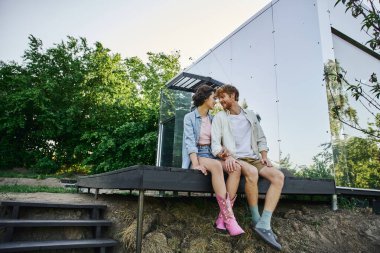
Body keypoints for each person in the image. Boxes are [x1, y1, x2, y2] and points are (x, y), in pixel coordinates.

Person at [211, 84, 284, 250]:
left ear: (233, 95)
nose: (220, 101)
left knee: (279, 177)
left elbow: (261, 138)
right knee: (251, 172)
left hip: (254, 158)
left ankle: (265, 223)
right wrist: (226, 155)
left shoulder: (250, 115)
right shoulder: (220, 117)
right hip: (237, 158)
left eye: (223, 97)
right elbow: (215, 145)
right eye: (219, 98)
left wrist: (264, 156)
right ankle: (256, 218)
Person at [182, 84, 244, 236]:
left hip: (212, 154)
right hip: (198, 155)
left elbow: (218, 141)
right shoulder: (189, 117)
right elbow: (190, 142)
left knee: (236, 168)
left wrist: (227, 155)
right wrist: (195, 164)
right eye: (213, 98)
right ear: (204, 98)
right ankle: (230, 219)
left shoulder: (214, 118)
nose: (216, 101)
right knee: (216, 166)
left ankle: (222, 218)